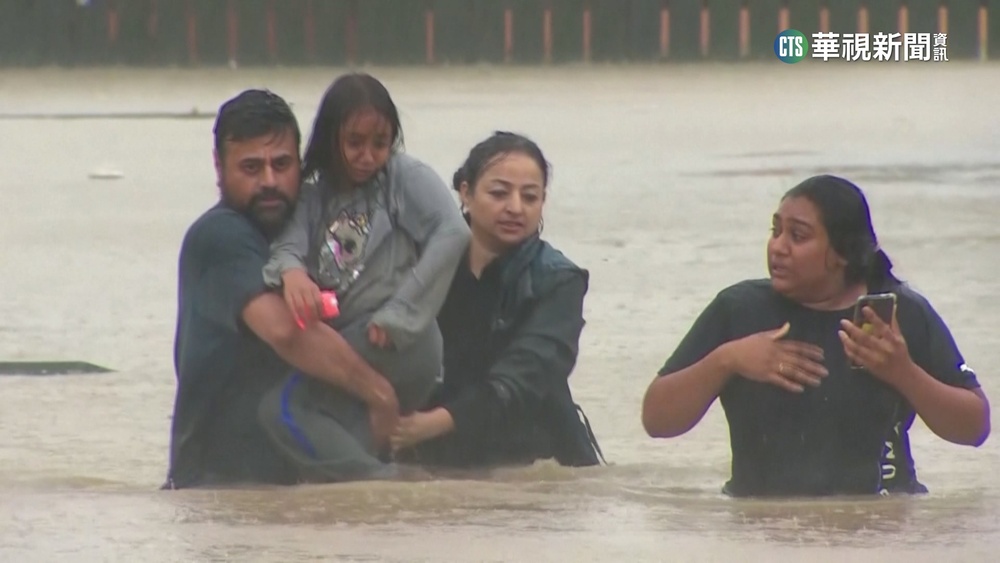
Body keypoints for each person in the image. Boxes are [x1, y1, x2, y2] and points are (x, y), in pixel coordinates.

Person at [641, 174, 990, 497]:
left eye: (798, 236)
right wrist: (727, 360)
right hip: (761, 528)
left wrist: (904, 372)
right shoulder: (739, 311)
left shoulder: (897, 315)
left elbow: (974, 428)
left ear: (842, 252)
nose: (777, 247)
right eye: (775, 231)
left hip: (881, 524)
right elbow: (656, 419)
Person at [166, 89, 403, 490]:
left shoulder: (310, 229)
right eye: (251, 168)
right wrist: (380, 395)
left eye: (282, 164)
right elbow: (287, 332)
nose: (270, 182)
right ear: (219, 168)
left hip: (297, 478)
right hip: (221, 485)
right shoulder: (220, 236)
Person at [256, 73, 470, 482]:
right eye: (354, 142)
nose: (368, 156)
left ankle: (384, 487)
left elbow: (453, 231)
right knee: (339, 446)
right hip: (350, 340)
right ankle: (384, 511)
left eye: (380, 142)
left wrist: (401, 313)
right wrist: (292, 274)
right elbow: (288, 246)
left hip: (397, 342)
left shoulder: (403, 178)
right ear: (330, 137)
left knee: (282, 409)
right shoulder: (312, 191)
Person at [390, 131, 605, 469]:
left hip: (534, 457)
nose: (515, 208)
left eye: (530, 197)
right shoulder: (419, 260)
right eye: (499, 193)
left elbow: (524, 378)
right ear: (465, 193)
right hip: (428, 451)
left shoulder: (559, 280)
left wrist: (431, 425)